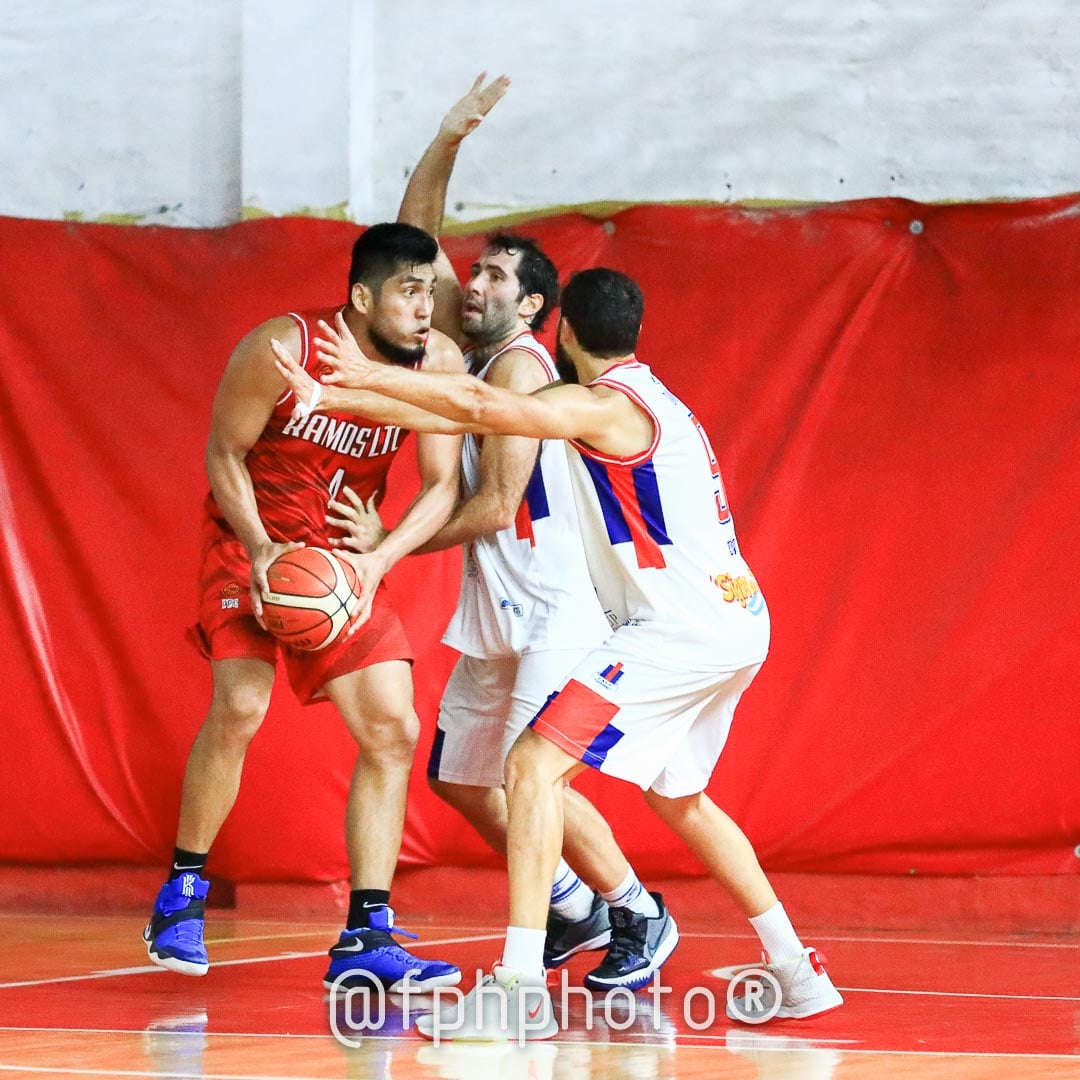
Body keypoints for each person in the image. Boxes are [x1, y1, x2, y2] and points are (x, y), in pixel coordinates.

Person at [274, 267, 845, 1038]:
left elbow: (479, 404)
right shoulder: (655, 399)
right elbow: (465, 405)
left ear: (564, 330)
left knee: (530, 767)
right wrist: (342, 396)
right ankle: (796, 972)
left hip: (678, 630)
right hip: (737, 620)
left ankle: (519, 988)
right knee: (682, 799)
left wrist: (361, 374)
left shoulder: (600, 405)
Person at [304, 77, 681, 984]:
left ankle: (635, 910)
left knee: (529, 775)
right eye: (471, 275)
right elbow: (415, 245)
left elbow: (494, 506)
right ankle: (574, 906)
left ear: (531, 308)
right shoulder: (470, 346)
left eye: (493, 278)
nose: (467, 284)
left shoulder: (518, 368)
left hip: (556, 604)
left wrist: (385, 547)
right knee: (459, 778)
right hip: (499, 604)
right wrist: (446, 141)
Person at [142, 221, 464, 996]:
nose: (427, 308)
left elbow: (444, 485)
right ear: (362, 298)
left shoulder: (439, 363)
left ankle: (367, 933)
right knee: (242, 705)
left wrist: (376, 560)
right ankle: (182, 892)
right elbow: (225, 451)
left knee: (394, 727)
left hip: (340, 561)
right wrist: (256, 547)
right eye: (409, 291)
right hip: (248, 541)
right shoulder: (282, 348)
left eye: (432, 291)